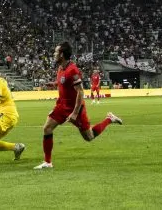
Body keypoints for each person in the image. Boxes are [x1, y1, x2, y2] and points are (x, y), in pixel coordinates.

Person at [34, 42, 122, 170]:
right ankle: (48, 162)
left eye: (56, 52)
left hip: (75, 108)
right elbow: (64, 82)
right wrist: (54, 83)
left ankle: (109, 119)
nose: (54, 54)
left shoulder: (72, 70)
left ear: (62, 54)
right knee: (47, 128)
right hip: (61, 105)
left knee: (89, 136)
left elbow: (80, 92)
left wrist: (75, 113)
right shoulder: (60, 68)